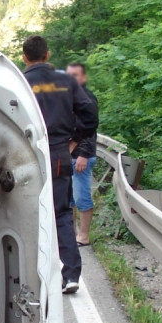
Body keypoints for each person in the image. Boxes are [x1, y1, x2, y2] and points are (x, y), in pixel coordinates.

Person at [22, 35, 98, 294]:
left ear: (24, 57)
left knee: (25, 211)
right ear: (48, 54)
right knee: (61, 212)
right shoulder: (66, 82)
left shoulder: (20, 83)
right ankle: (71, 274)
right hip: (58, 154)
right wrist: (74, 142)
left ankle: (30, 275)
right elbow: (90, 115)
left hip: (26, 155)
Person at [65, 62, 98, 245]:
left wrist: (83, 154)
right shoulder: (71, 97)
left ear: (83, 78)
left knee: (81, 196)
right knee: (69, 197)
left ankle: (84, 236)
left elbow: (90, 127)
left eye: (75, 75)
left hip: (81, 156)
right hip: (69, 155)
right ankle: (72, 233)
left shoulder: (87, 98)